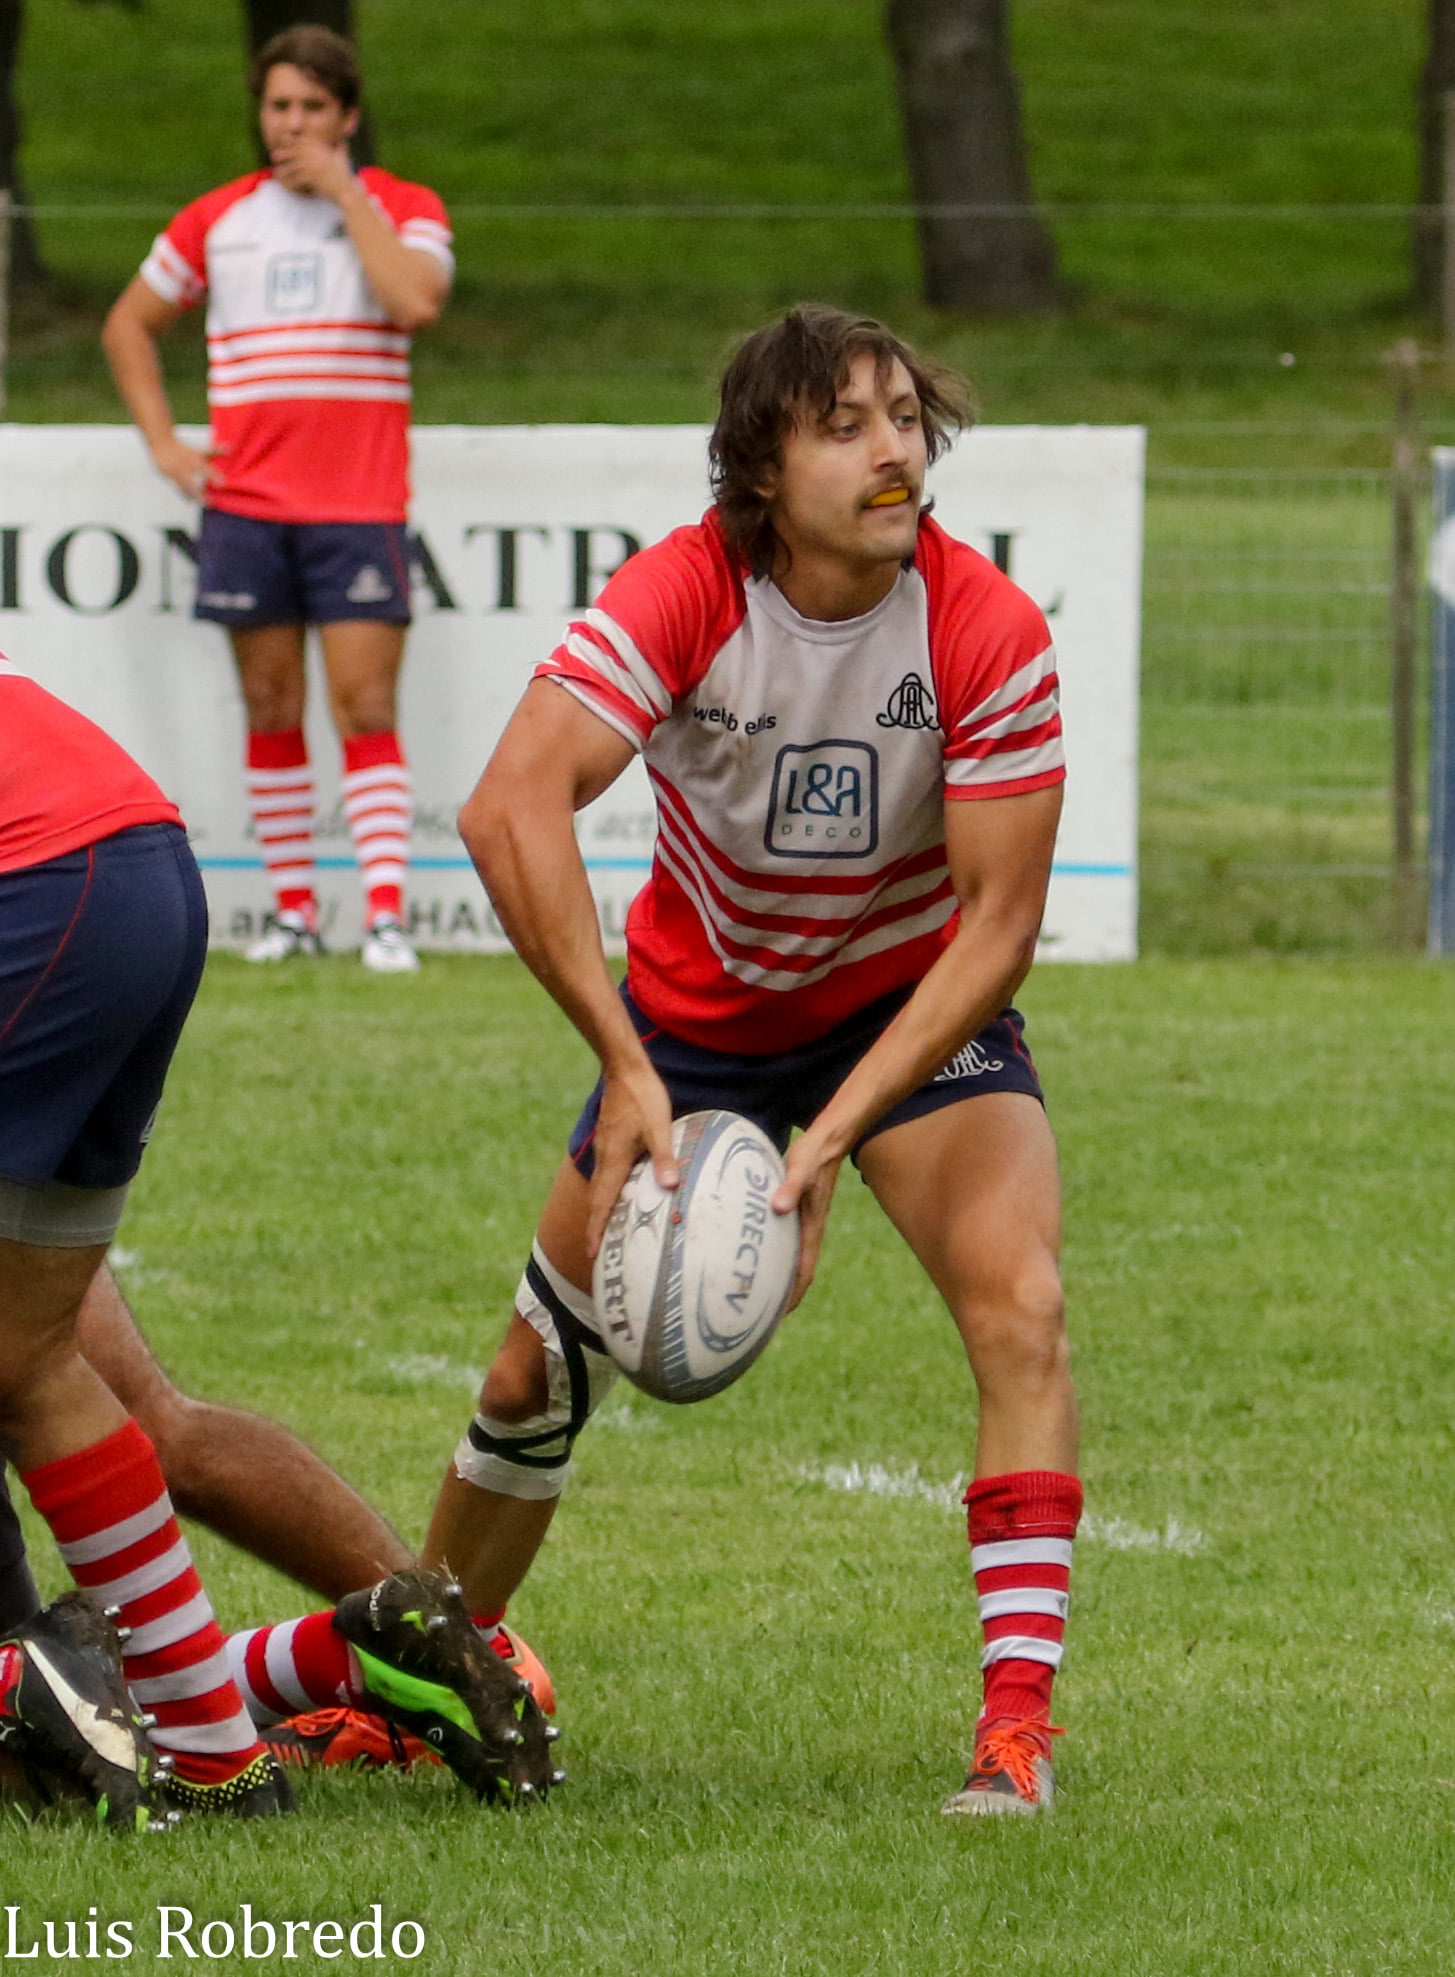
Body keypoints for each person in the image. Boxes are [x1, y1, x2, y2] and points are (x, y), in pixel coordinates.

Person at [418, 305, 1082, 1816]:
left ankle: (1013, 1729)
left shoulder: (982, 626)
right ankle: (417, 1685)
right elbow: (507, 808)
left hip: (906, 1011)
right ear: (759, 468)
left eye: (905, 417)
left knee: (1021, 1307)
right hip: (692, 1023)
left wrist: (836, 1133)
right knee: (530, 1376)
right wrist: (626, 1066)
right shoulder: (686, 591)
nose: (891, 449)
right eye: (842, 425)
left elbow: (997, 928)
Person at [0, 660, 555, 1819]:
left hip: (37, 882)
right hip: (138, 862)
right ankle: (286, 1705)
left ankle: (30, 1678)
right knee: (40, 1365)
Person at [101, 24, 453, 973]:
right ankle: (294, 913)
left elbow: (414, 301)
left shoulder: (403, 206)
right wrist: (167, 444)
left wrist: (344, 194)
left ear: (346, 115)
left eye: (309, 108)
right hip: (248, 506)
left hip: (358, 503)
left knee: (364, 703)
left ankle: (385, 917)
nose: (289, 125)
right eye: (276, 107)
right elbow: (130, 323)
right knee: (268, 701)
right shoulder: (218, 216)